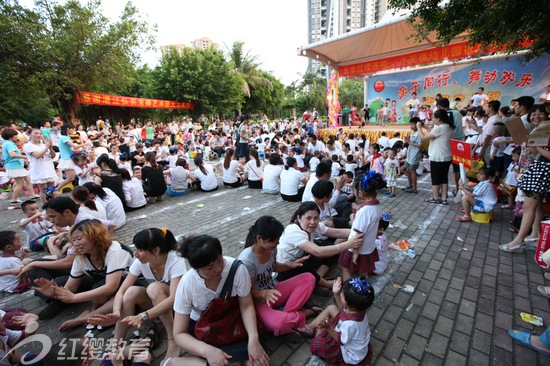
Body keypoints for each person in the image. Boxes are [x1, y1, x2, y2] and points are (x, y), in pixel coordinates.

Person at [89, 227, 186, 360]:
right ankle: (115, 347)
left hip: (177, 308)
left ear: (156, 250)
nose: (136, 254)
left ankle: (173, 339)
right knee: (130, 292)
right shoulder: (141, 262)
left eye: (140, 250)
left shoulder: (175, 260)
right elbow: (121, 290)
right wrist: (116, 312)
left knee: (153, 288)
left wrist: (143, 316)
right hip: (156, 306)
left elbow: (174, 298)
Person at [171, 234, 269, 366]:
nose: (218, 269)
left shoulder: (237, 269)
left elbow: (246, 306)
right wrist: (207, 351)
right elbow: (179, 334)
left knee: (257, 363)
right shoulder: (187, 284)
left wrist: (254, 339)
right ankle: (176, 362)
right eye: (209, 268)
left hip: (232, 324)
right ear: (196, 269)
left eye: (219, 260)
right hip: (203, 330)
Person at [33, 219, 133, 323]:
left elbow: (110, 287)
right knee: (97, 291)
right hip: (106, 284)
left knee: (113, 294)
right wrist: (55, 293)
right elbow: (70, 288)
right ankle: (93, 315)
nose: (75, 244)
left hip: (130, 283)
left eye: (79, 239)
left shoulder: (114, 250)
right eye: (73, 240)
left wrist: (74, 298)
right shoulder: (81, 258)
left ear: (95, 236)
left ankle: (85, 318)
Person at [238, 216, 318, 336]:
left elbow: (273, 266)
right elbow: (247, 293)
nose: (278, 243)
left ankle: (287, 313)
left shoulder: (271, 249)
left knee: (309, 277)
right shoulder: (247, 260)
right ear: (259, 238)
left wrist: (290, 265)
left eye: (278, 239)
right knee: (280, 324)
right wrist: (264, 294)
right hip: (258, 302)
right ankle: (304, 313)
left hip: (273, 292)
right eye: (273, 240)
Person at [276, 201, 364, 289]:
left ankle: (318, 277)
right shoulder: (293, 231)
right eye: (308, 218)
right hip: (285, 269)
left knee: (330, 249)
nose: (312, 222)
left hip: (303, 258)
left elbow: (337, 232)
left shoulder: (316, 226)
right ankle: (324, 283)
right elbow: (319, 252)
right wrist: (348, 244)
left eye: (316, 218)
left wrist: (359, 233)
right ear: (299, 218)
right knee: (306, 265)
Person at [500, 109, 550, 252]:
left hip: (543, 171)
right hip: (538, 169)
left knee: (528, 207)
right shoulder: (538, 130)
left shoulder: (546, 130)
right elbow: (536, 153)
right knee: (537, 205)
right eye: (533, 114)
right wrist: (531, 142)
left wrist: (538, 146)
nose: (536, 116)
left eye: (541, 114)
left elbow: (545, 154)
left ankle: (518, 241)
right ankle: (535, 234)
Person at [303, 277, 374, 365]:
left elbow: (341, 340)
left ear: (351, 306)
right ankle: (310, 327)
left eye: (342, 295)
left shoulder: (350, 324)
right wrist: (336, 293)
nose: (341, 295)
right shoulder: (360, 309)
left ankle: (319, 331)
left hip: (349, 352)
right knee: (331, 308)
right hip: (348, 335)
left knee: (316, 345)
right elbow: (342, 310)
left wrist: (327, 327)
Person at [339, 171, 385, 281]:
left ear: (360, 193)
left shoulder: (364, 211)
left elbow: (359, 233)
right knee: (363, 270)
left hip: (356, 247)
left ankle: (348, 291)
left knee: (345, 267)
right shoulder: (377, 206)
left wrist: (355, 252)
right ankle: (362, 285)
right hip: (368, 247)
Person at [418, 109, 454, 205]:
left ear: (439, 118)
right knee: (444, 178)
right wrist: (426, 127)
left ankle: (436, 197)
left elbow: (424, 138)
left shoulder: (440, 128)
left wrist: (419, 128)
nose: (432, 119)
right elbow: (433, 134)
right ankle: (444, 198)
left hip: (438, 157)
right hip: (446, 156)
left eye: (434, 117)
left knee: (436, 178)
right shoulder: (448, 127)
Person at [23, 128, 57, 203]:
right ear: (30, 135)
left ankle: (53, 204)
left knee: (51, 189)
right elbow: (37, 155)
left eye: (40, 134)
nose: (38, 135)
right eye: (36, 133)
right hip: (39, 169)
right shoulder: (28, 146)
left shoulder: (43, 145)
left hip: (48, 168)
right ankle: (45, 206)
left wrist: (50, 148)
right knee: (43, 190)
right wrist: (46, 147)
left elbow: (53, 155)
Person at [1, 128, 31, 204]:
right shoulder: (9, 144)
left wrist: (23, 159)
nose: (17, 137)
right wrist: (25, 157)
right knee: (20, 183)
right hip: (14, 166)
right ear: (11, 136)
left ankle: (32, 195)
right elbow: (12, 154)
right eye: (15, 136)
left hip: (15, 165)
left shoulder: (7, 143)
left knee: (27, 179)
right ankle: (14, 200)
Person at [57, 124, 88, 191]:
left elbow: (73, 149)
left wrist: (81, 149)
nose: (73, 130)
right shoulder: (63, 137)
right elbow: (75, 146)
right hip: (67, 159)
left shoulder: (67, 137)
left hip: (69, 157)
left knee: (71, 177)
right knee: (70, 178)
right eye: (72, 129)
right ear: (68, 129)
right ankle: (57, 189)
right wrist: (86, 144)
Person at [404, 117, 422, 193]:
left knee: (412, 170)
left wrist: (409, 142)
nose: (411, 126)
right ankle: (410, 185)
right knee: (408, 170)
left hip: (415, 154)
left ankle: (414, 188)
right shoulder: (413, 132)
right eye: (410, 124)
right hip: (410, 154)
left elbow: (420, 145)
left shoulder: (419, 134)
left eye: (413, 124)